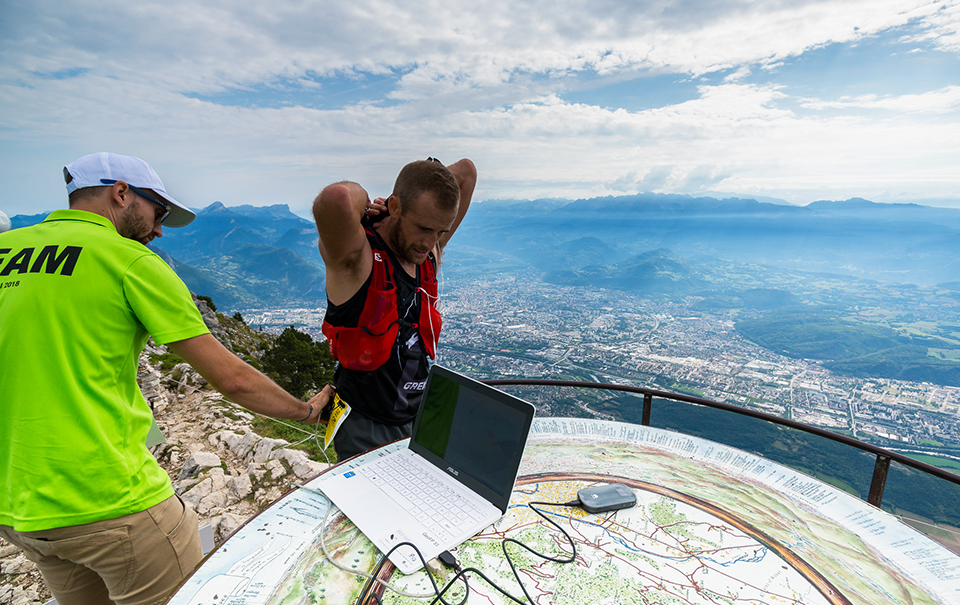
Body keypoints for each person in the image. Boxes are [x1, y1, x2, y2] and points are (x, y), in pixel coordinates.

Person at [0, 152, 333, 605]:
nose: (159, 230)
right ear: (120, 193)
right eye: (158, 213)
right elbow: (231, 379)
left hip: (20, 510)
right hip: (110, 501)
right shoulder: (128, 260)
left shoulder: (7, 248)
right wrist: (308, 411)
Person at [314, 158, 476, 460]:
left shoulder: (424, 252)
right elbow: (336, 198)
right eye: (424, 228)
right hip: (365, 426)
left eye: (441, 232)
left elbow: (466, 171)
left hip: (418, 416)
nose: (431, 243)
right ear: (396, 207)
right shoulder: (358, 258)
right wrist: (367, 205)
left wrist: (415, 196)